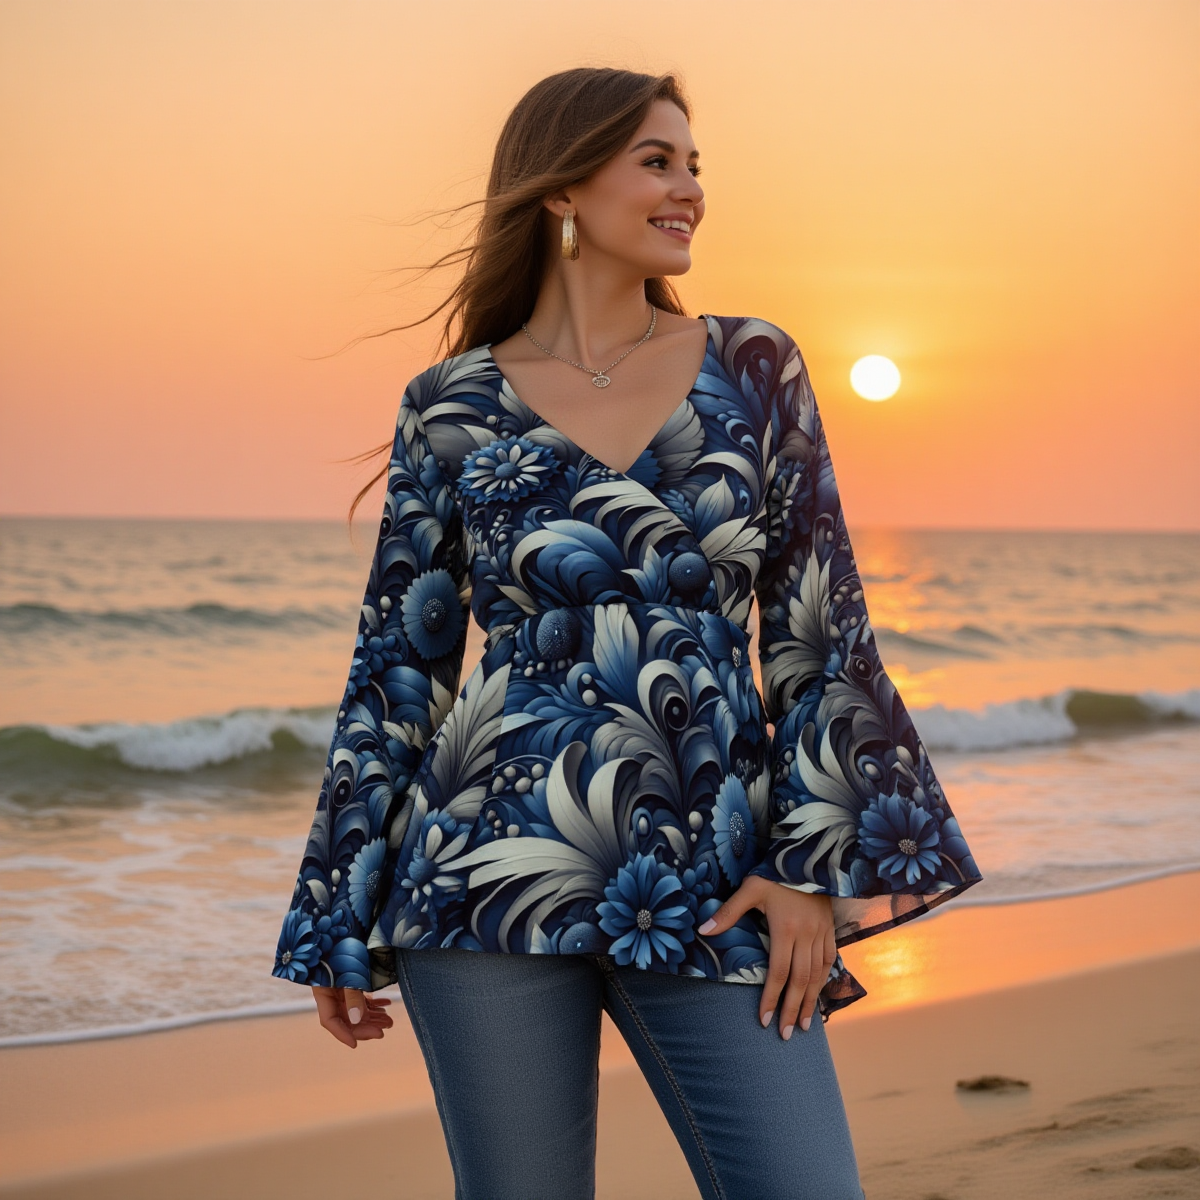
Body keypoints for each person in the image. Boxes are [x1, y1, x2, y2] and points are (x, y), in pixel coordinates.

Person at [272, 66, 982, 1200]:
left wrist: (806, 869)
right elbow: (400, 669)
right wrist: (334, 916)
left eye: (696, 166)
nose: (688, 189)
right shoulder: (450, 401)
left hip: (714, 865)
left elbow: (818, 631)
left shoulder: (756, 368)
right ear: (562, 189)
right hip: (483, 876)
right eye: (657, 161)